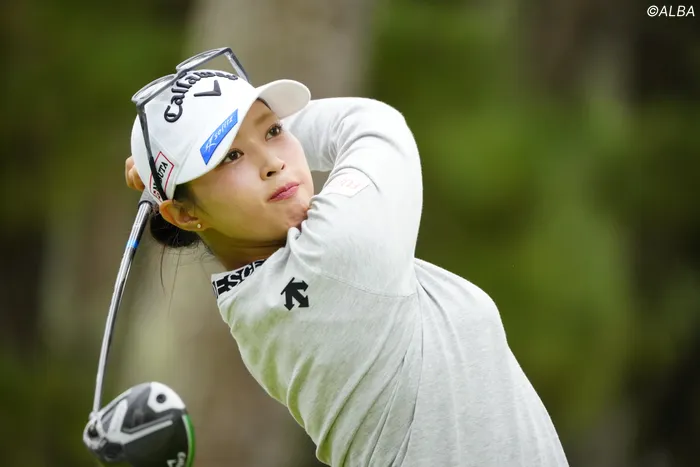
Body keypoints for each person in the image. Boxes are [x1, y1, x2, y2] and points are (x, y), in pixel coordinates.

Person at [125, 59, 569, 467]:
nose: (273, 163)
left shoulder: (251, 298)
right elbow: (372, 124)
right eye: (230, 156)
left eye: (274, 130)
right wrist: (248, 127)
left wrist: (180, 169)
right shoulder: (334, 254)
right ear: (185, 216)